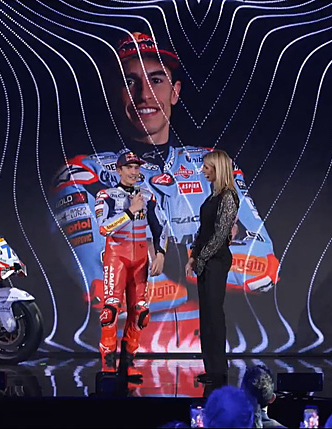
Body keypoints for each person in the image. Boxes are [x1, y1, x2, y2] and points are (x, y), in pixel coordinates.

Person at [49, 31, 279, 353]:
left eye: (156, 80)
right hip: (123, 356)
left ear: (175, 92)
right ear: (115, 93)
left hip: (212, 354)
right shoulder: (82, 175)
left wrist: (158, 258)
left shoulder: (214, 163)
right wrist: (207, 251)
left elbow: (263, 268)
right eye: (130, 82)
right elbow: (103, 287)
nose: (145, 94)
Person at [95, 151, 167, 376]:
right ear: (119, 170)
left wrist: (160, 254)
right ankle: (108, 367)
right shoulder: (106, 195)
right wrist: (130, 212)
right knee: (110, 311)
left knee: (141, 313)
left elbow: (160, 227)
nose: (134, 172)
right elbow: (104, 228)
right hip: (116, 258)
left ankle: (128, 364)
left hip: (140, 260)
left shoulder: (148, 196)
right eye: (129, 167)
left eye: (137, 167)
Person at [183, 149, 239, 384]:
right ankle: (210, 367)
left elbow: (220, 234)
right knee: (206, 315)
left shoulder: (228, 196)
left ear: (218, 169)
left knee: (214, 314)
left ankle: (219, 369)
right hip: (205, 260)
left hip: (217, 260)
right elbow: (203, 231)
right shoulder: (211, 197)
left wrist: (202, 258)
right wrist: (193, 257)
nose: (203, 170)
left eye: (207, 167)